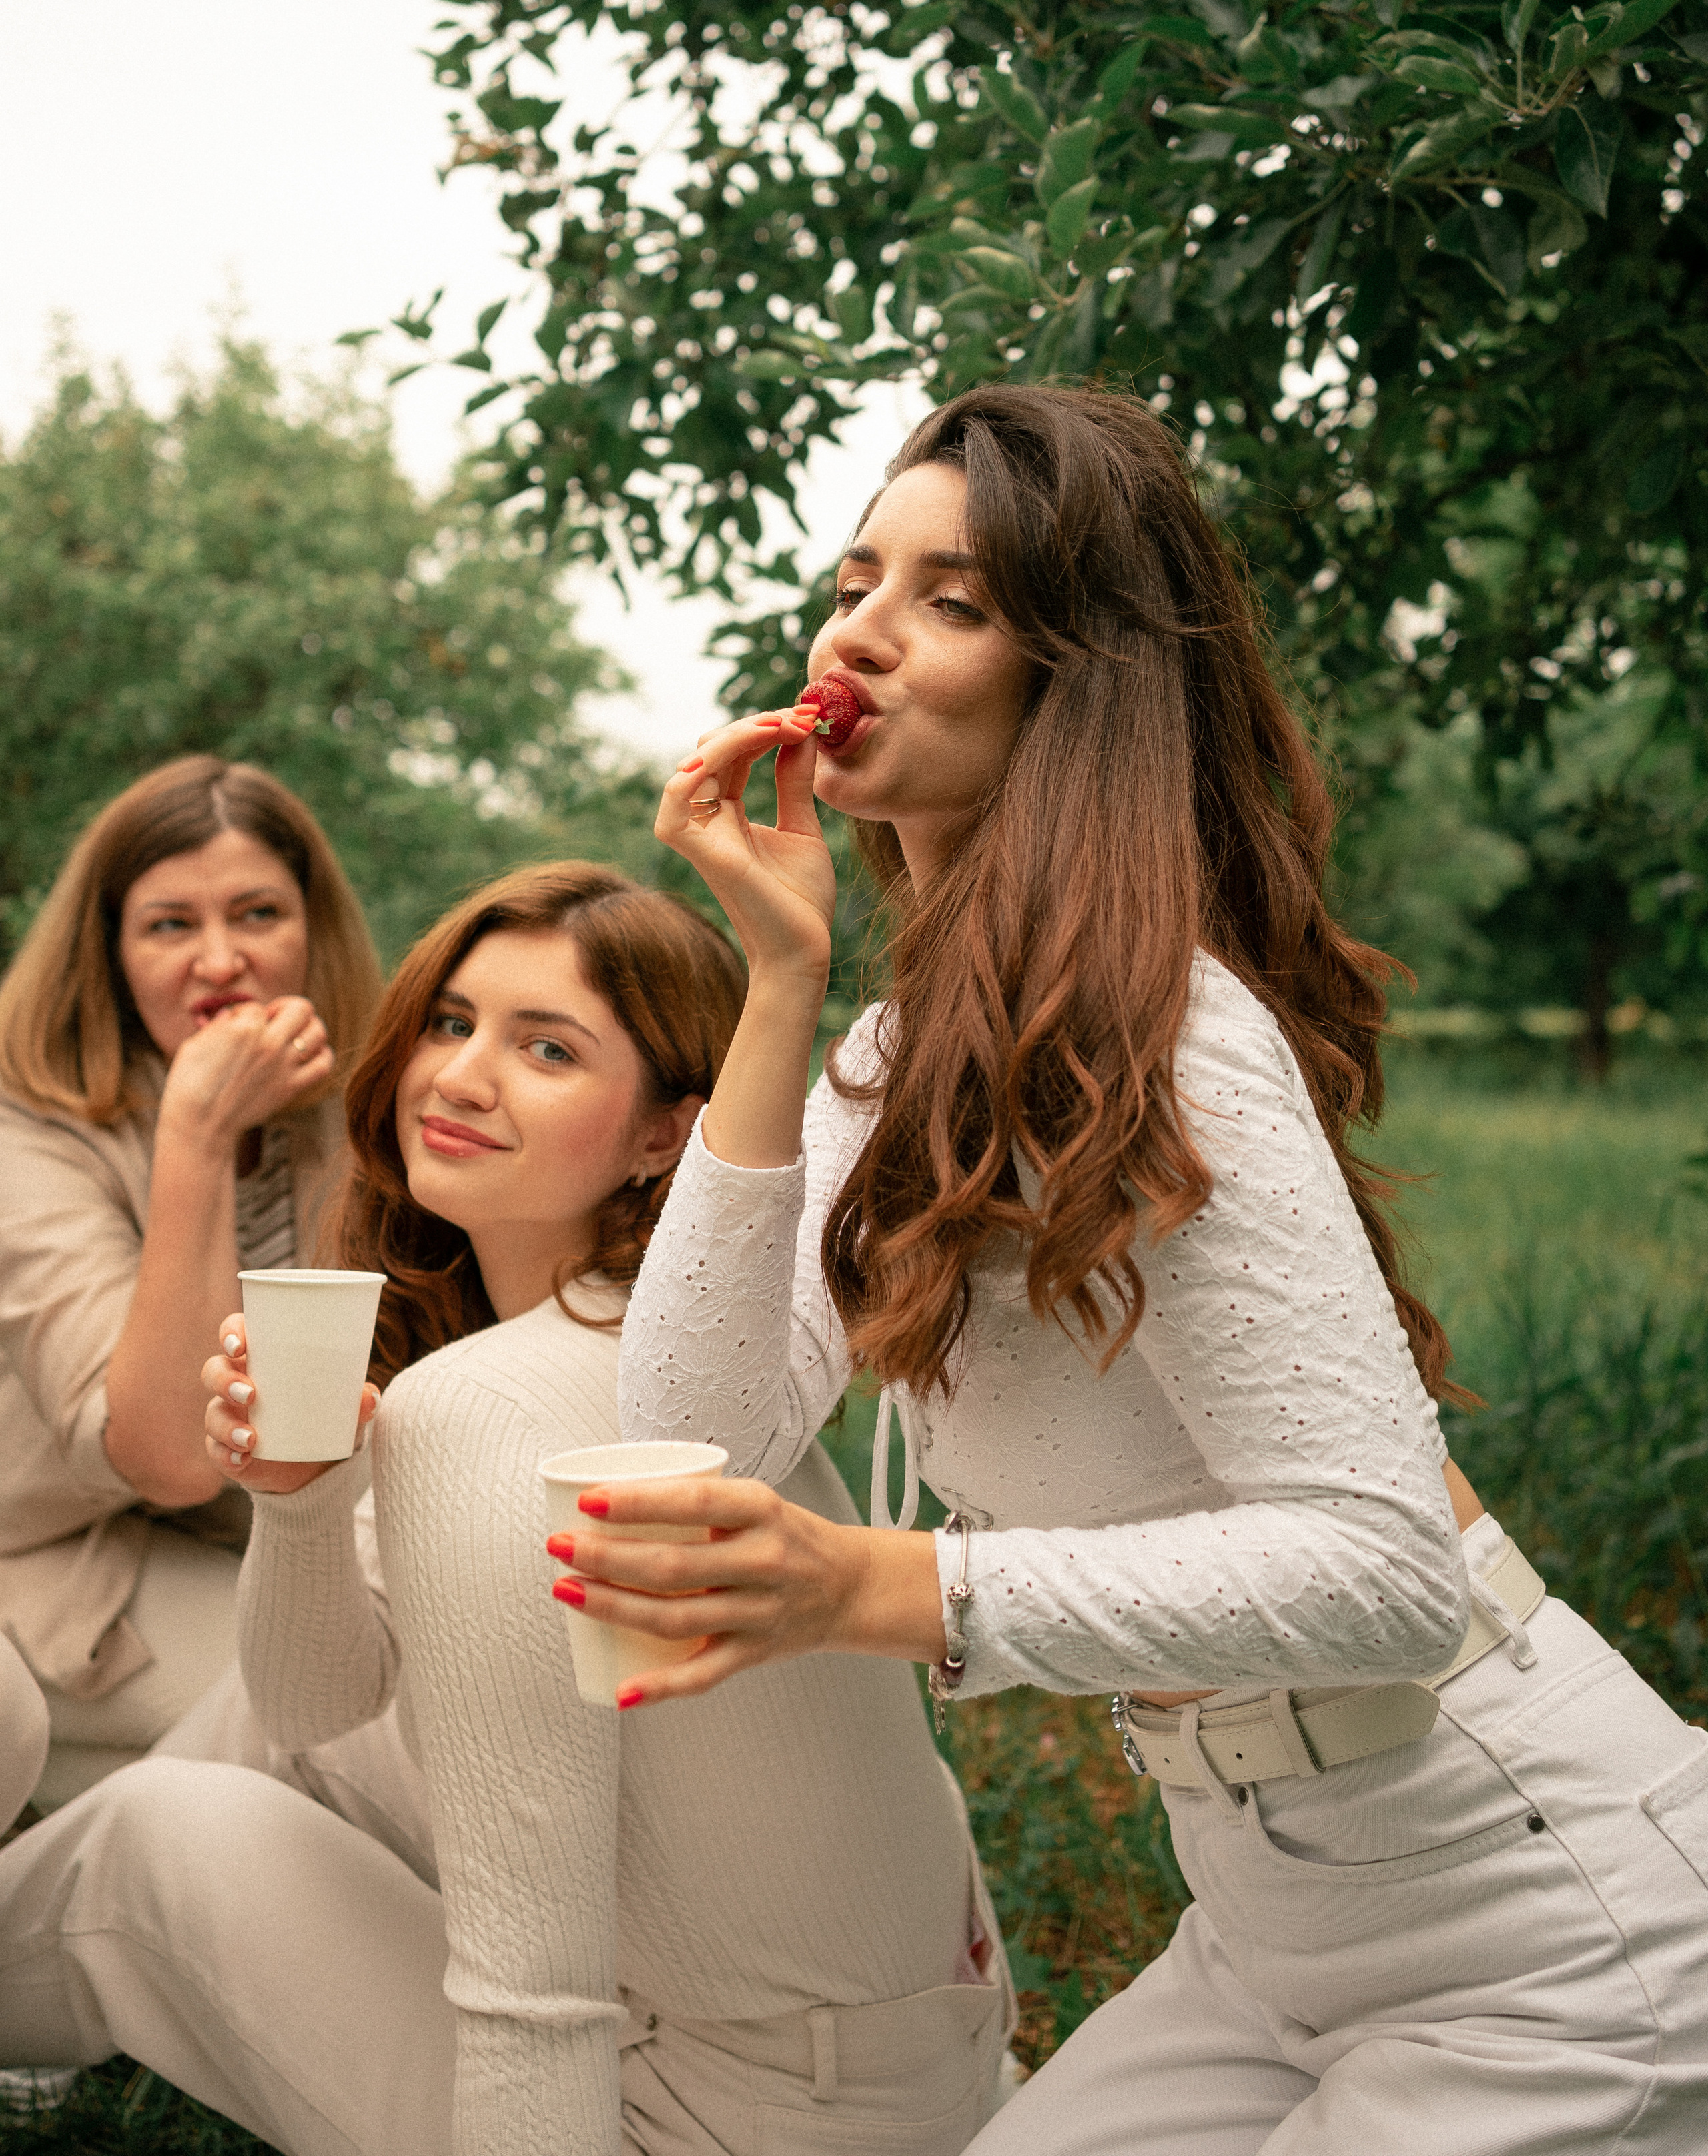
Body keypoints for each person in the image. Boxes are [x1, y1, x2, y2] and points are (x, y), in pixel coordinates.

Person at [556, 384, 1708, 2153]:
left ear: (1069, 677)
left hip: (1534, 1920)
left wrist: (889, 1588)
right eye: (860, 576)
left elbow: (1389, 1570)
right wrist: (776, 982)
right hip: (1262, 1923)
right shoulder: (883, 1062)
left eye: (954, 599)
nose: (863, 624)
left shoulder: (1161, 1027)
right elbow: (697, 1427)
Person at [193, 863, 1013, 2156]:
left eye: (547, 1049)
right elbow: (306, 1709)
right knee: (223, 1735)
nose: (458, 1076)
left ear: (662, 1136)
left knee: (160, 1832)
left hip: (718, 2113)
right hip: (933, 2075)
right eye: (452, 1023)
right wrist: (299, 1503)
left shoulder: (482, 1406)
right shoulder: (707, 1361)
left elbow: (536, 1989)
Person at [0, 754, 382, 1808]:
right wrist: (198, 1137)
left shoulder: (353, 1109)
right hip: (62, 1565)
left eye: (258, 913)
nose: (221, 961)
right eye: (170, 925)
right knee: (344, 1743)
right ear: (112, 954)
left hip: (269, 1541)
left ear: (312, 931)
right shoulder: (25, 1124)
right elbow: (168, 1454)